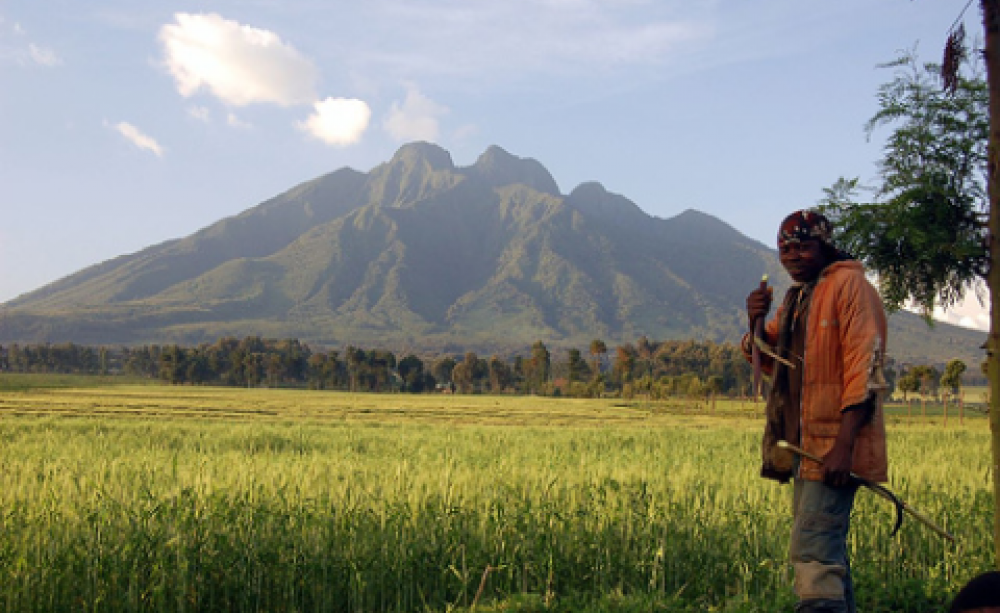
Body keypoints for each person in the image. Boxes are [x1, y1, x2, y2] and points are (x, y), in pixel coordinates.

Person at [743, 210, 889, 613]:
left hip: (833, 450)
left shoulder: (849, 287)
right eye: (785, 249)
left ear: (825, 246)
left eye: (804, 247)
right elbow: (769, 357)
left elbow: (866, 367)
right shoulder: (797, 297)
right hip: (804, 453)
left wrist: (844, 446)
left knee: (812, 553)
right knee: (827, 553)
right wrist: (754, 318)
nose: (792, 257)